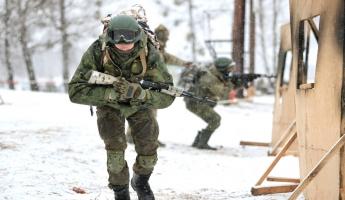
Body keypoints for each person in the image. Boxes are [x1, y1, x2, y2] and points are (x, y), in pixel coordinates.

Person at [68, 15, 175, 200]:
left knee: (149, 153)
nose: (124, 42)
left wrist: (142, 94)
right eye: (118, 37)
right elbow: (75, 91)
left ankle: (140, 182)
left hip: (139, 105)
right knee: (115, 155)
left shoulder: (149, 53)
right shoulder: (97, 49)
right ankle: (121, 191)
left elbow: (167, 97)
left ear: (137, 35)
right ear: (110, 37)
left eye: (129, 37)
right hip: (109, 105)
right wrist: (112, 94)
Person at [126, 24, 192, 146]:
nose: (167, 40)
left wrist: (184, 63)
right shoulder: (151, 47)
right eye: (165, 37)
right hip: (144, 83)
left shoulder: (157, 48)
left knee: (141, 110)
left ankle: (133, 135)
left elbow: (168, 58)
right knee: (148, 112)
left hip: (149, 84)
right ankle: (147, 137)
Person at [184, 57, 235, 150]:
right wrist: (232, 84)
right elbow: (223, 95)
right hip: (195, 103)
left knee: (213, 119)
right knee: (215, 120)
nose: (230, 71)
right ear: (223, 68)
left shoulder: (215, 74)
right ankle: (202, 143)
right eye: (229, 69)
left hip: (197, 101)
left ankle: (198, 141)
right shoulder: (210, 78)